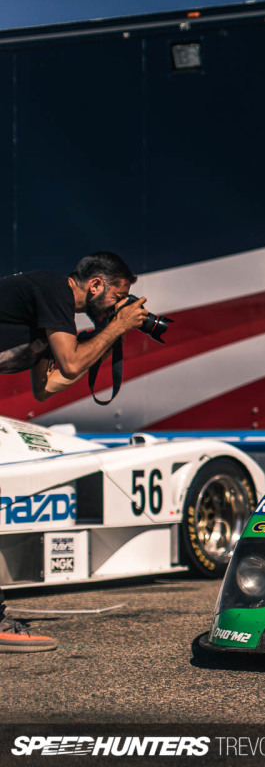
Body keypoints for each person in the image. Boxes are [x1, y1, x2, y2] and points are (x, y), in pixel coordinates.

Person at [0, 251, 149, 653]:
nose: (120, 306)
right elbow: (69, 364)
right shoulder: (54, 288)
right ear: (95, 284)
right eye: (118, 296)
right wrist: (117, 327)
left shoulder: (52, 315)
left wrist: (105, 338)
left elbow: (45, 387)